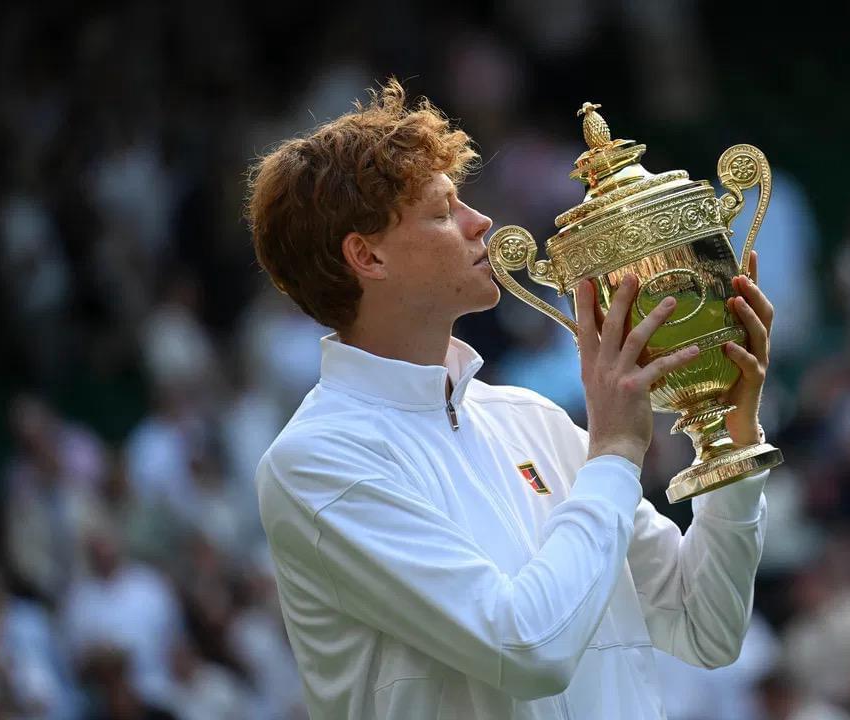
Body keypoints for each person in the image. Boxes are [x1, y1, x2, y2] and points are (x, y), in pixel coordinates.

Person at [245, 79, 776, 719]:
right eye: (443, 212)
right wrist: (614, 450)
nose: (481, 223)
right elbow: (527, 648)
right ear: (367, 256)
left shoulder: (530, 418)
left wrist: (730, 437)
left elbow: (705, 625)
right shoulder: (315, 462)